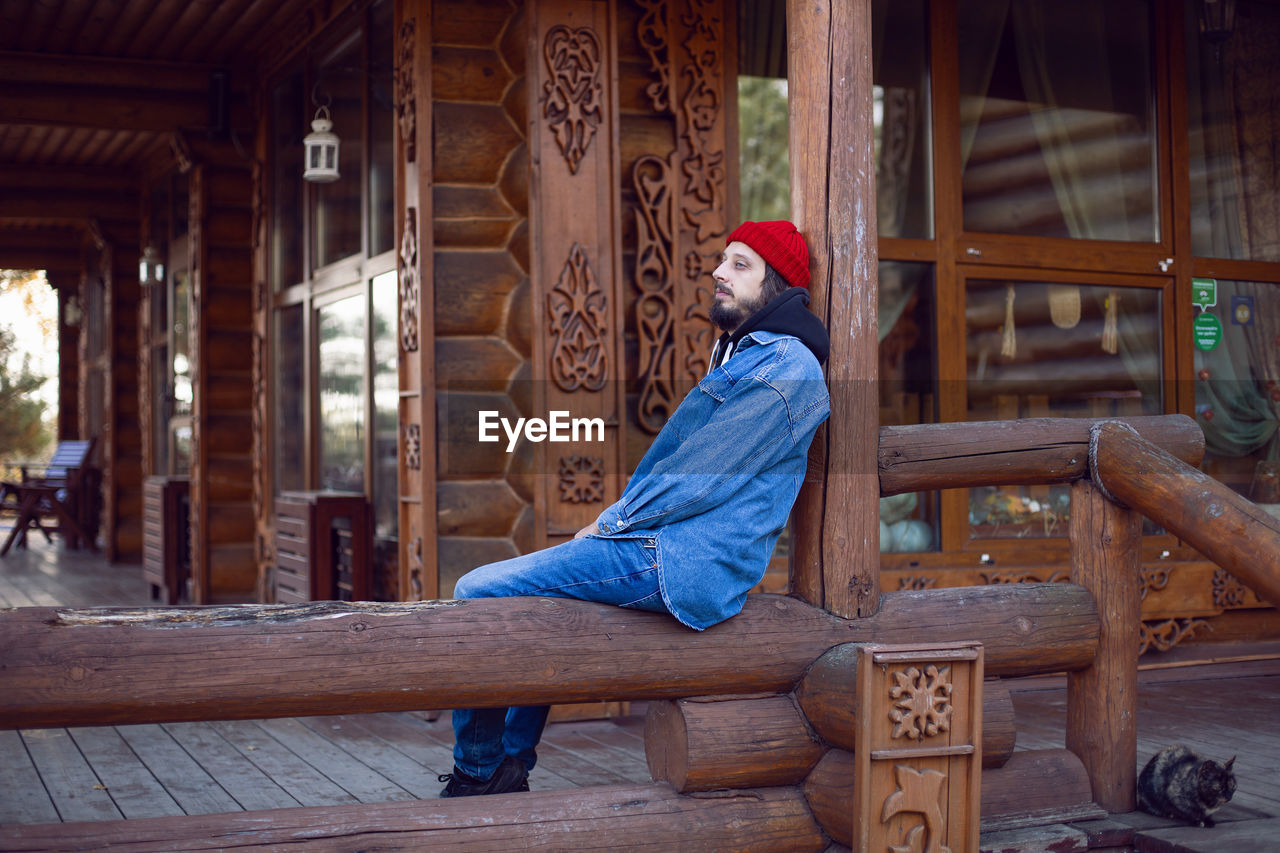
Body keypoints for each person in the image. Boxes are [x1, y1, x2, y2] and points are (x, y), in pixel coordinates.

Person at [438, 219, 831, 798]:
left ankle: (478, 772)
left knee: (477, 592)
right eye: (723, 260)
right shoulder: (748, 353)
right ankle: (509, 764)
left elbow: (699, 480)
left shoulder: (787, 370)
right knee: (532, 601)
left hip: (685, 562)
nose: (719, 272)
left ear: (779, 285)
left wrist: (606, 527)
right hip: (670, 548)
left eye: (740, 265)